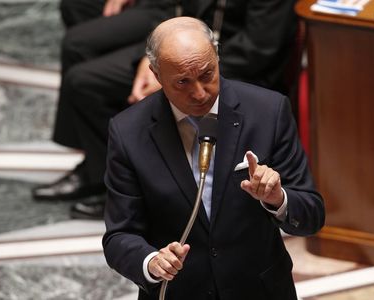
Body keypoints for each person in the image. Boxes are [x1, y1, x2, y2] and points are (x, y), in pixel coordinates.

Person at [102, 17, 324, 300]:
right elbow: (119, 236)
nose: (199, 93)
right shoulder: (128, 132)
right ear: (157, 76)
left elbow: (312, 214)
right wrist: (151, 262)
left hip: (259, 290)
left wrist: (278, 198)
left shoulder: (268, 111)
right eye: (182, 81)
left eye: (207, 74)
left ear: (217, 57)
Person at [32, 0, 300, 220]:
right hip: (183, 56)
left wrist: (182, 76)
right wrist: (150, 61)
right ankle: (101, 171)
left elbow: (259, 49)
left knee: (84, 81)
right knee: (82, 73)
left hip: (228, 69)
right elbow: (178, 15)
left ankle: (116, 187)